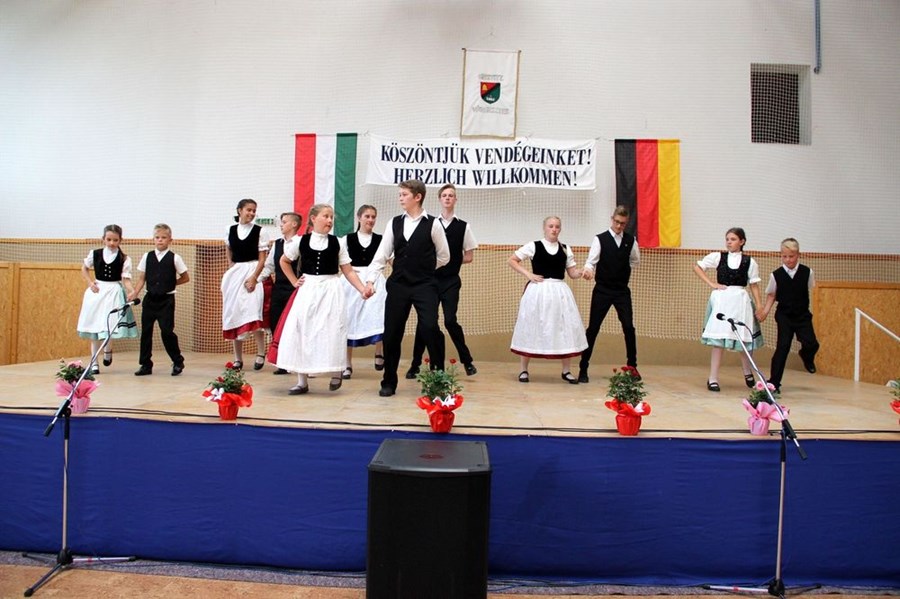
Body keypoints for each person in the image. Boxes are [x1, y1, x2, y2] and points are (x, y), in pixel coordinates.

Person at [364, 179, 450, 397]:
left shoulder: (434, 224)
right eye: (400, 194)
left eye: (404, 194)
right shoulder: (394, 223)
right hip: (399, 286)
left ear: (417, 197)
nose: (400, 198)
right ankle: (389, 381)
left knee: (430, 328)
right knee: (392, 333)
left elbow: (444, 256)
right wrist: (370, 281)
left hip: (425, 286)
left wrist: (423, 269)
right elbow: (381, 255)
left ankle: (438, 381)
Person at [275, 204, 369, 395]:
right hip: (308, 289)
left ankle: (336, 371)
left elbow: (348, 271)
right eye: (325, 216)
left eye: (331, 217)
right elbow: (284, 261)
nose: (330, 220)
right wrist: (294, 281)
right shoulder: (301, 241)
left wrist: (362, 289)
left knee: (332, 329)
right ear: (313, 219)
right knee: (302, 330)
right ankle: (302, 381)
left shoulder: (338, 243)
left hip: (331, 289)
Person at [405, 184, 479, 380]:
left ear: (455, 200)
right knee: (425, 323)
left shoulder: (463, 226)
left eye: (451, 195)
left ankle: (467, 361)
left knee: (450, 320)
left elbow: (469, 256)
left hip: (450, 281)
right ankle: (415, 364)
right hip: (429, 281)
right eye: (444, 195)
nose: (447, 198)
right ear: (439, 199)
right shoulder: (431, 223)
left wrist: (450, 261)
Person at [508, 216, 587, 384]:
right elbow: (512, 260)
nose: (554, 229)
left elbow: (572, 273)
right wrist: (529, 274)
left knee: (564, 327)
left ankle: (566, 371)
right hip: (538, 292)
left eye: (557, 226)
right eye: (551, 226)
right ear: (544, 228)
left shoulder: (565, 249)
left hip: (560, 293)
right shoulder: (533, 246)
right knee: (530, 326)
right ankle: (523, 370)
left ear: (560, 229)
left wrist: (583, 272)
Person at [693, 227, 764, 392]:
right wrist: (712, 283)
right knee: (719, 342)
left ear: (742, 241)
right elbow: (697, 267)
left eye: (733, 239)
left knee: (743, 339)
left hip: (740, 302)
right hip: (723, 301)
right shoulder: (718, 257)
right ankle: (713, 378)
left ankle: (747, 372)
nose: (729, 242)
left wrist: (759, 305)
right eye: (727, 239)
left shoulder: (749, 262)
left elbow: (754, 285)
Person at [578, 206, 641, 384]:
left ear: (626, 223)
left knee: (628, 327)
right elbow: (591, 262)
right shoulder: (600, 239)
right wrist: (588, 271)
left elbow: (635, 260)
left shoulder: (631, 241)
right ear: (612, 219)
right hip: (602, 290)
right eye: (617, 222)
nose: (619, 226)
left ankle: (632, 367)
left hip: (621, 291)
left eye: (623, 224)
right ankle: (583, 367)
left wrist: (621, 269)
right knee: (593, 328)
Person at [757, 238, 819, 392]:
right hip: (784, 316)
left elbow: (810, 289)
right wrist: (765, 311)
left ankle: (806, 356)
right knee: (782, 347)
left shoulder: (807, 272)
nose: (788, 260)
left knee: (812, 344)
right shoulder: (776, 275)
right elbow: (772, 295)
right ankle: (774, 383)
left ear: (798, 255)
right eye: (784, 256)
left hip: (802, 315)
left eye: (791, 256)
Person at [128, 224, 190, 376]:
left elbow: (185, 277)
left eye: (163, 237)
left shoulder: (175, 258)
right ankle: (145, 364)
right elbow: (142, 278)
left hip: (166, 301)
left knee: (167, 331)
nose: (160, 240)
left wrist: (170, 283)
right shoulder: (147, 256)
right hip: (150, 299)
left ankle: (177, 361)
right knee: (146, 332)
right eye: (157, 237)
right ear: (153, 239)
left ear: (170, 240)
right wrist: (135, 292)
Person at [76, 224, 138, 374]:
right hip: (97, 292)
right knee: (95, 328)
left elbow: (126, 279)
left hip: (113, 292)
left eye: (115, 240)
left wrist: (132, 291)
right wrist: (90, 283)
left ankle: (108, 350)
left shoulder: (124, 258)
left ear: (120, 240)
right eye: (109, 239)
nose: (112, 243)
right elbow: (84, 268)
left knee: (109, 325)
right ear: (103, 239)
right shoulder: (95, 254)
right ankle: (94, 362)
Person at [221, 198, 269, 371]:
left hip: (253, 270)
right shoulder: (230, 229)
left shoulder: (260, 231)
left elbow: (262, 258)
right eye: (248, 209)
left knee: (253, 312)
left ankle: (261, 353)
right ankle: (237, 359)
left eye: (254, 210)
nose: (252, 213)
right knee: (233, 313)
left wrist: (254, 278)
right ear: (239, 210)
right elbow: (229, 249)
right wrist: (231, 266)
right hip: (236, 272)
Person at [341, 204, 386, 379]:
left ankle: (379, 351)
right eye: (367, 216)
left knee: (379, 315)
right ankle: (347, 364)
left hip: (375, 281)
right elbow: (339, 261)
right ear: (359, 218)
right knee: (348, 319)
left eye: (373, 217)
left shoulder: (381, 240)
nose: (370, 220)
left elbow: (390, 259)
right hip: (352, 281)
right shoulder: (347, 239)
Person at [257, 211, 302, 375]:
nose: (281, 225)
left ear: (294, 224)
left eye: (284, 222)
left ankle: (298, 361)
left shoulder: (301, 243)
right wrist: (256, 280)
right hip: (279, 289)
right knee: (276, 323)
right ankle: (282, 361)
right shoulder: (277, 244)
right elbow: (269, 266)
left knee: (296, 325)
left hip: (296, 289)